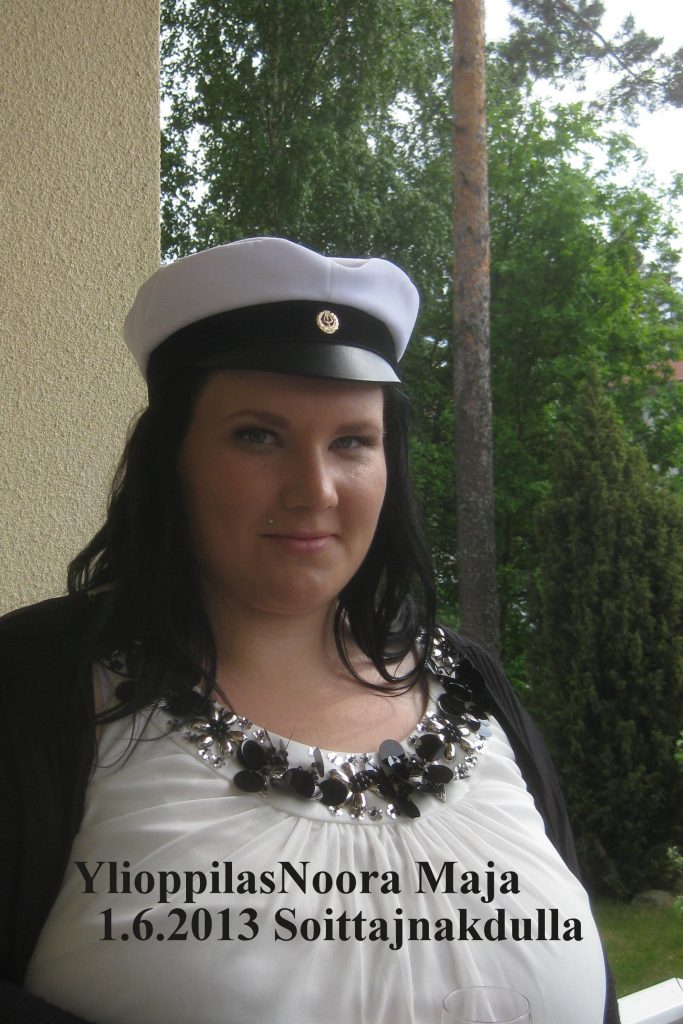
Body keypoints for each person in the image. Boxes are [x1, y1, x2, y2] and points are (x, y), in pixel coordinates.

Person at [0, 237, 619, 1023]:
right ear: (171, 459)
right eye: (257, 436)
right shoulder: (34, 688)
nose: (314, 490)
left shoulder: (471, 686)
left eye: (351, 442)